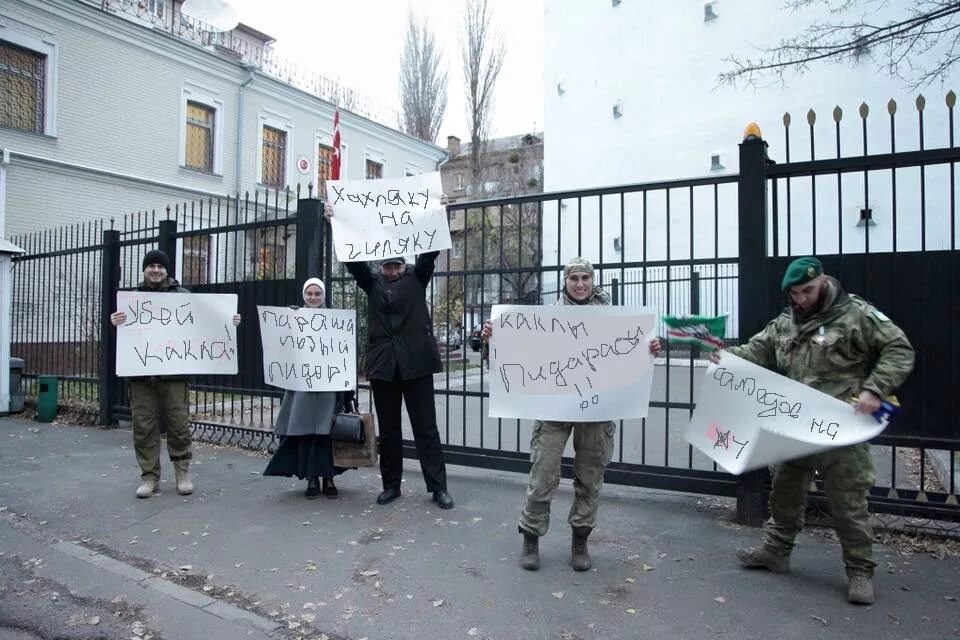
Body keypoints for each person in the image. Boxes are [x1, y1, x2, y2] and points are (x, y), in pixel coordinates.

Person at [712, 256, 914, 605]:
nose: (801, 298)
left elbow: (899, 348)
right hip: (795, 422)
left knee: (847, 500)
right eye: (795, 293)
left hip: (840, 427)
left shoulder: (857, 316)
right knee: (785, 490)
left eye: (807, 290)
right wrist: (727, 357)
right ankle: (776, 551)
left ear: (823, 281)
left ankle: (860, 571)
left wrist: (875, 388)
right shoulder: (785, 322)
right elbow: (758, 349)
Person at [481, 257, 663, 571]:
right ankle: (531, 537)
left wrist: (650, 349)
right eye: (574, 278)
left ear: (593, 281)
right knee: (543, 475)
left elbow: (631, 363)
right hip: (554, 408)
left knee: (590, 478)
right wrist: (492, 341)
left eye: (585, 278)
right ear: (565, 282)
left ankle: (580, 540)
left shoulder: (615, 318)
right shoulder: (547, 318)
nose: (580, 284)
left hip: (597, 410)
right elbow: (510, 360)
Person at [326, 204, 454, 510]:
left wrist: (442, 213)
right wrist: (335, 223)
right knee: (390, 429)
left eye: (397, 265)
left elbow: (429, 252)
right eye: (388, 266)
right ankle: (391, 485)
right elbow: (352, 259)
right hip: (385, 367)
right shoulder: (372, 284)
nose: (393, 270)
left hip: (417, 365)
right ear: (382, 267)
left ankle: (438, 488)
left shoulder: (418, 278)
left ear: (404, 265)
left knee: (426, 429)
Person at [109, 249, 242, 499]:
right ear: (145, 270)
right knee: (144, 426)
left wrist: (228, 320)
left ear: (167, 270)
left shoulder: (182, 297)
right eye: (151, 266)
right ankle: (149, 477)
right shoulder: (133, 299)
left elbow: (204, 325)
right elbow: (126, 339)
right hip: (141, 377)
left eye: (160, 266)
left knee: (179, 425)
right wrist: (116, 323)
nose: (156, 270)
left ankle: (182, 472)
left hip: (174, 376)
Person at [263, 278, 356, 498]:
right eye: (309, 294)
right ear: (304, 295)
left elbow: (344, 352)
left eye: (317, 294)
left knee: (327, 433)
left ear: (323, 296)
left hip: (328, 386)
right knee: (305, 432)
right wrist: (290, 318)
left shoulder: (335, 320)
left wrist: (347, 388)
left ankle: (328, 478)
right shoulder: (294, 318)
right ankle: (311, 478)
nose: (313, 297)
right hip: (301, 388)